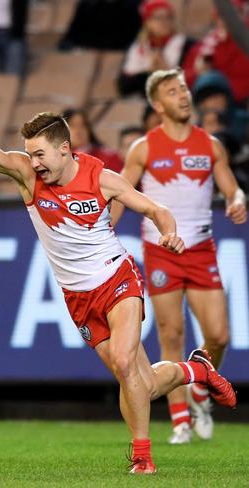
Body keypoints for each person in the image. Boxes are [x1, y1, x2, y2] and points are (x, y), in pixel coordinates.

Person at [0, 80, 237, 474]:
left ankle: (143, 457)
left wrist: (169, 231)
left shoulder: (102, 178)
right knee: (140, 384)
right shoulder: (28, 176)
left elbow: (155, 208)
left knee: (127, 364)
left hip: (117, 278)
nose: (35, 161)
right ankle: (197, 369)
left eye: (40, 153)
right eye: (30, 154)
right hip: (77, 297)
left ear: (65, 148)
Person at [111, 68, 246, 445]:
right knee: (171, 333)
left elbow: (232, 189)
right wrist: (100, 231)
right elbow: (121, 192)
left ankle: (201, 385)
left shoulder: (211, 145)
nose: (183, 95)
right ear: (158, 104)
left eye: (184, 88)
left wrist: (237, 201)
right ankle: (180, 420)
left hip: (201, 250)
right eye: (173, 91)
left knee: (218, 335)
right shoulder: (145, 148)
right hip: (162, 251)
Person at [118, 0, 195, 97]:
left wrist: (167, 70)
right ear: (147, 22)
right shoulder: (137, 48)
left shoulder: (187, 45)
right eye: (158, 18)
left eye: (168, 17)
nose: (164, 22)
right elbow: (124, 88)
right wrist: (149, 72)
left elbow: (192, 81)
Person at [63, 108, 123, 173]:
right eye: (72, 125)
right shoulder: (56, 158)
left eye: (83, 125)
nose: (78, 130)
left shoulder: (110, 157)